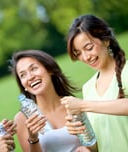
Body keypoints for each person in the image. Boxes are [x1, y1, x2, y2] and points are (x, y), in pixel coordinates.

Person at [61, 14, 128, 152]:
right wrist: (85, 141)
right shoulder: (88, 88)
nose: (85, 57)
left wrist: (82, 105)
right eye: (78, 53)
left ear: (106, 40)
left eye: (89, 47)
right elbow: (100, 143)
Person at [9, 50, 91, 152]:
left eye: (33, 68)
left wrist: (87, 149)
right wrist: (33, 139)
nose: (30, 77)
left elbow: (95, 144)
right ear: (22, 85)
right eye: (23, 75)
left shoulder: (74, 105)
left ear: (50, 70)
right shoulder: (22, 119)